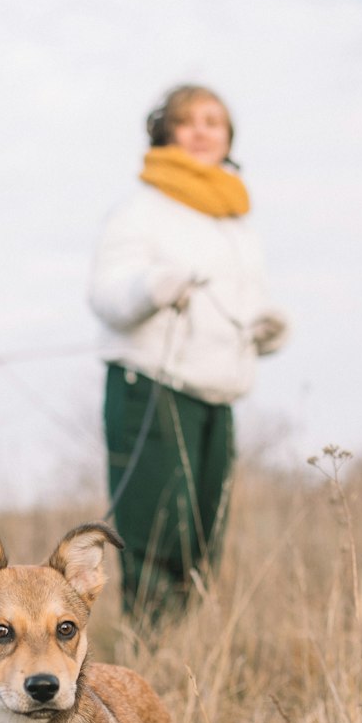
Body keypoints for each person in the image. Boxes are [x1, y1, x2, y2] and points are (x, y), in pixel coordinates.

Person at [89, 83, 288, 620]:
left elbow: (246, 300)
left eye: (214, 122)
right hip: (151, 385)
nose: (202, 131)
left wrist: (267, 330)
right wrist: (150, 287)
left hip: (215, 395)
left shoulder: (234, 220)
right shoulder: (142, 207)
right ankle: (150, 652)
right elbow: (106, 294)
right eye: (189, 120)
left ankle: (188, 653)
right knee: (155, 532)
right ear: (166, 132)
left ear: (228, 137)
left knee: (202, 536)